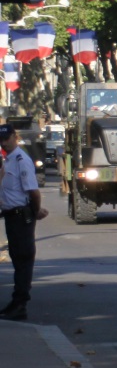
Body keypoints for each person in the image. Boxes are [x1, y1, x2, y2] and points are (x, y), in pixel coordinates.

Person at [0, 124, 48, 320]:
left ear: (15, 137)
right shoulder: (7, 160)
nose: (4, 142)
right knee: (18, 260)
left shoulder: (21, 160)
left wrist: (36, 211)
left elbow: (33, 192)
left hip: (22, 216)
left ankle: (20, 305)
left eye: (7, 138)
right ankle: (15, 302)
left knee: (23, 261)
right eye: (1, 139)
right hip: (11, 215)